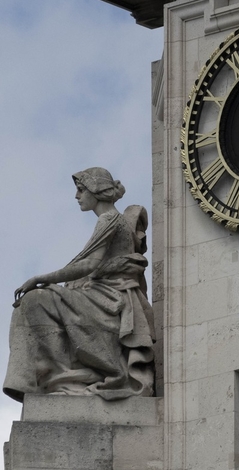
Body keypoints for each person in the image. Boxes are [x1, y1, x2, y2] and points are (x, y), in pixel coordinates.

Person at [4, 168, 155, 401]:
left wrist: (41, 278)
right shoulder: (112, 219)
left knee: (35, 300)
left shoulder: (110, 219)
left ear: (97, 190)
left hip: (109, 301)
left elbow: (88, 265)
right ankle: (58, 376)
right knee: (33, 302)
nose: (77, 196)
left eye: (81, 189)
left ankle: (63, 377)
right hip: (102, 296)